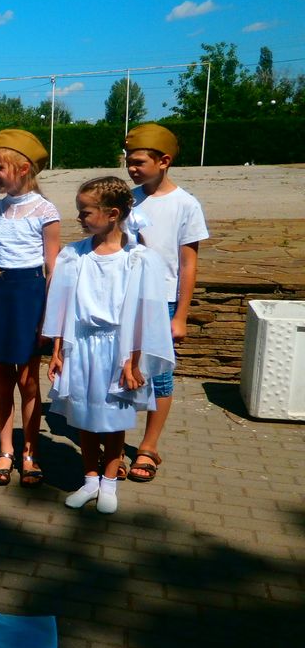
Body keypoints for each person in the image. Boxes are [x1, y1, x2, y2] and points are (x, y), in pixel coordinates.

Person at [43, 176, 174, 514]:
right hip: (81, 345)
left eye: (86, 212)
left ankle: (110, 482)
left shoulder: (139, 259)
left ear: (112, 214)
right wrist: (57, 350)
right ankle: (89, 479)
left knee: (114, 418)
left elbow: (146, 315)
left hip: (118, 350)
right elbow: (61, 305)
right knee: (84, 415)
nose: (79, 218)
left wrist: (133, 362)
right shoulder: (74, 255)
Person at [0, 130, 60, 487]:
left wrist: (49, 317)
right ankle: (5, 449)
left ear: (22, 169)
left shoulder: (45, 211)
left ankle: (30, 452)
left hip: (29, 297)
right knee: (2, 378)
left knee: (28, 380)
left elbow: (53, 268)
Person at [123, 124, 209, 483]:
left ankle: (148, 446)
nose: (132, 168)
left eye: (139, 162)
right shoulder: (127, 200)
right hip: (126, 300)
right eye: (128, 161)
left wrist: (181, 316)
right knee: (123, 371)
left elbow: (188, 263)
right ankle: (114, 443)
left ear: (164, 161)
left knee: (159, 376)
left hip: (162, 303)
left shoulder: (185, 204)